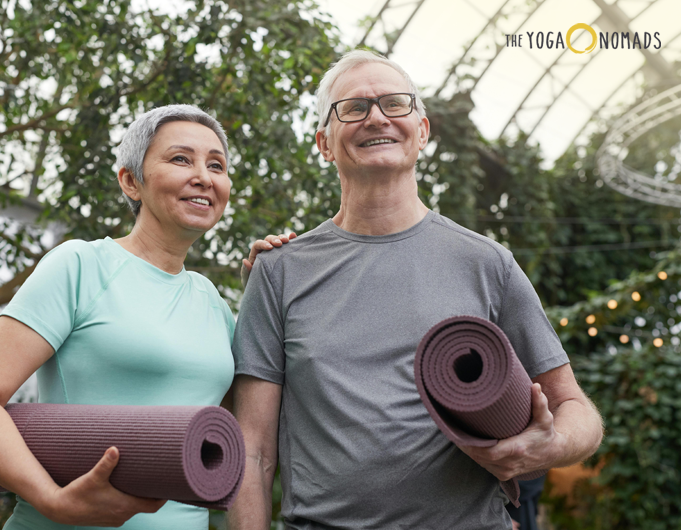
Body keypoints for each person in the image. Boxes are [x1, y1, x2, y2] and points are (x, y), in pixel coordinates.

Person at [228, 50, 604, 530]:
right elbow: (254, 452)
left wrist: (546, 446)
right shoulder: (279, 271)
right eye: (354, 108)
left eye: (395, 104)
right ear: (324, 142)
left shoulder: (488, 263)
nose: (377, 117)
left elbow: (577, 409)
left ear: (421, 131)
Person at [0, 104, 293, 530]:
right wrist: (52, 500)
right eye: (181, 159)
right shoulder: (81, 266)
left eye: (216, 165)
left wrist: (266, 294)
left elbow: (239, 441)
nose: (204, 176)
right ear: (130, 181)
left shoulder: (213, 302)